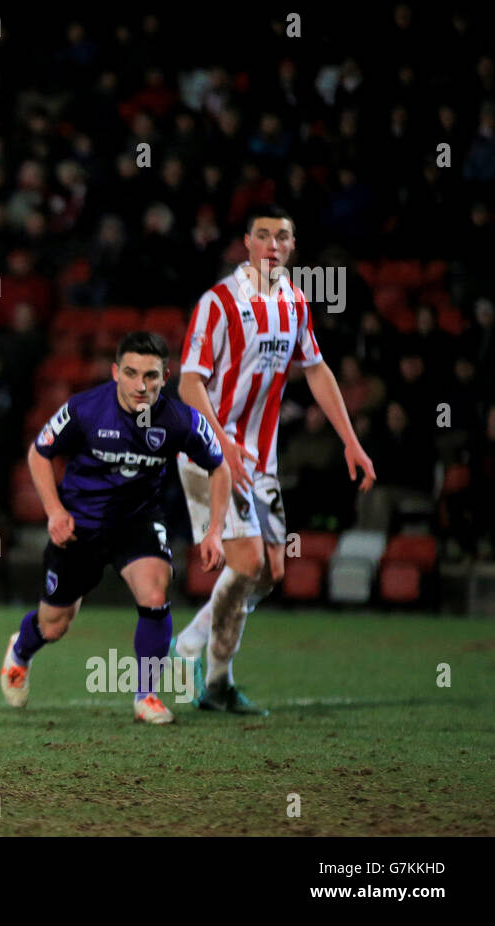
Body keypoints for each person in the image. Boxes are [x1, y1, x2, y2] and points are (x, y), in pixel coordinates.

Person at [173, 204, 375, 714]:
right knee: (246, 562)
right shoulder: (218, 302)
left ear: (291, 247)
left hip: (260, 460)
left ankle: (212, 673)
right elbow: (189, 383)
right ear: (246, 243)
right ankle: (193, 654)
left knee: (270, 574)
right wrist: (222, 441)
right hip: (210, 453)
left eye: (281, 237)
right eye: (262, 235)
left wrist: (350, 440)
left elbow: (317, 370)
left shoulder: (295, 302)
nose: (272, 245)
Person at [0, 331, 230, 724]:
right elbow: (40, 454)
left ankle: (146, 696)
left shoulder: (180, 419)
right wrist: (54, 511)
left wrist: (214, 531)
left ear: (166, 375)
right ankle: (21, 649)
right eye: (132, 373)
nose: (141, 385)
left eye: (152, 376)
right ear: (115, 373)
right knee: (54, 625)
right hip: (80, 526)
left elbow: (219, 467)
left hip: (137, 522)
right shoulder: (85, 409)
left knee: (156, 591)